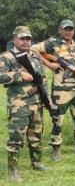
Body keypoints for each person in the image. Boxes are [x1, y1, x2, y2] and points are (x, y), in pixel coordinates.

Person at [31, 19, 75, 161]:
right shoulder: (52, 43)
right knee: (58, 119)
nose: (68, 31)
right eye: (65, 29)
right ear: (60, 30)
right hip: (62, 89)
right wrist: (48, 64)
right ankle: (56, 148)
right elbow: (33, 49)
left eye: (70, 29)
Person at [0, 26, 48, 182]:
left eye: (28, 39)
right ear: (14, 38)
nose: (26, 41)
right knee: (16, 137)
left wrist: (45, 97)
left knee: (36, 134)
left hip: (36, 102)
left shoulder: (34, 55)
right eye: (22, 38)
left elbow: (42, 78)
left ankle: (37, 162)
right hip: (19, 104)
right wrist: (20, 75)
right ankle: (13, 171)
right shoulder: (7, 56)